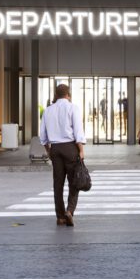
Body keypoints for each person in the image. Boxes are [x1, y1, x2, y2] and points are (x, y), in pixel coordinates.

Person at [39, 82, 86, 227]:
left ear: (56, 95)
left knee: (57, 184)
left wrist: (49, 151)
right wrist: (81, 150)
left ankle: (60, 217)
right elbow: (78, 131)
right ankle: (69, 211)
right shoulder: (73, 108)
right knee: (74, 181)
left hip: (55, 148)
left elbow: (43, 135)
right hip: (70, 148)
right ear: (68, 94)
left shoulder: (48, 110)